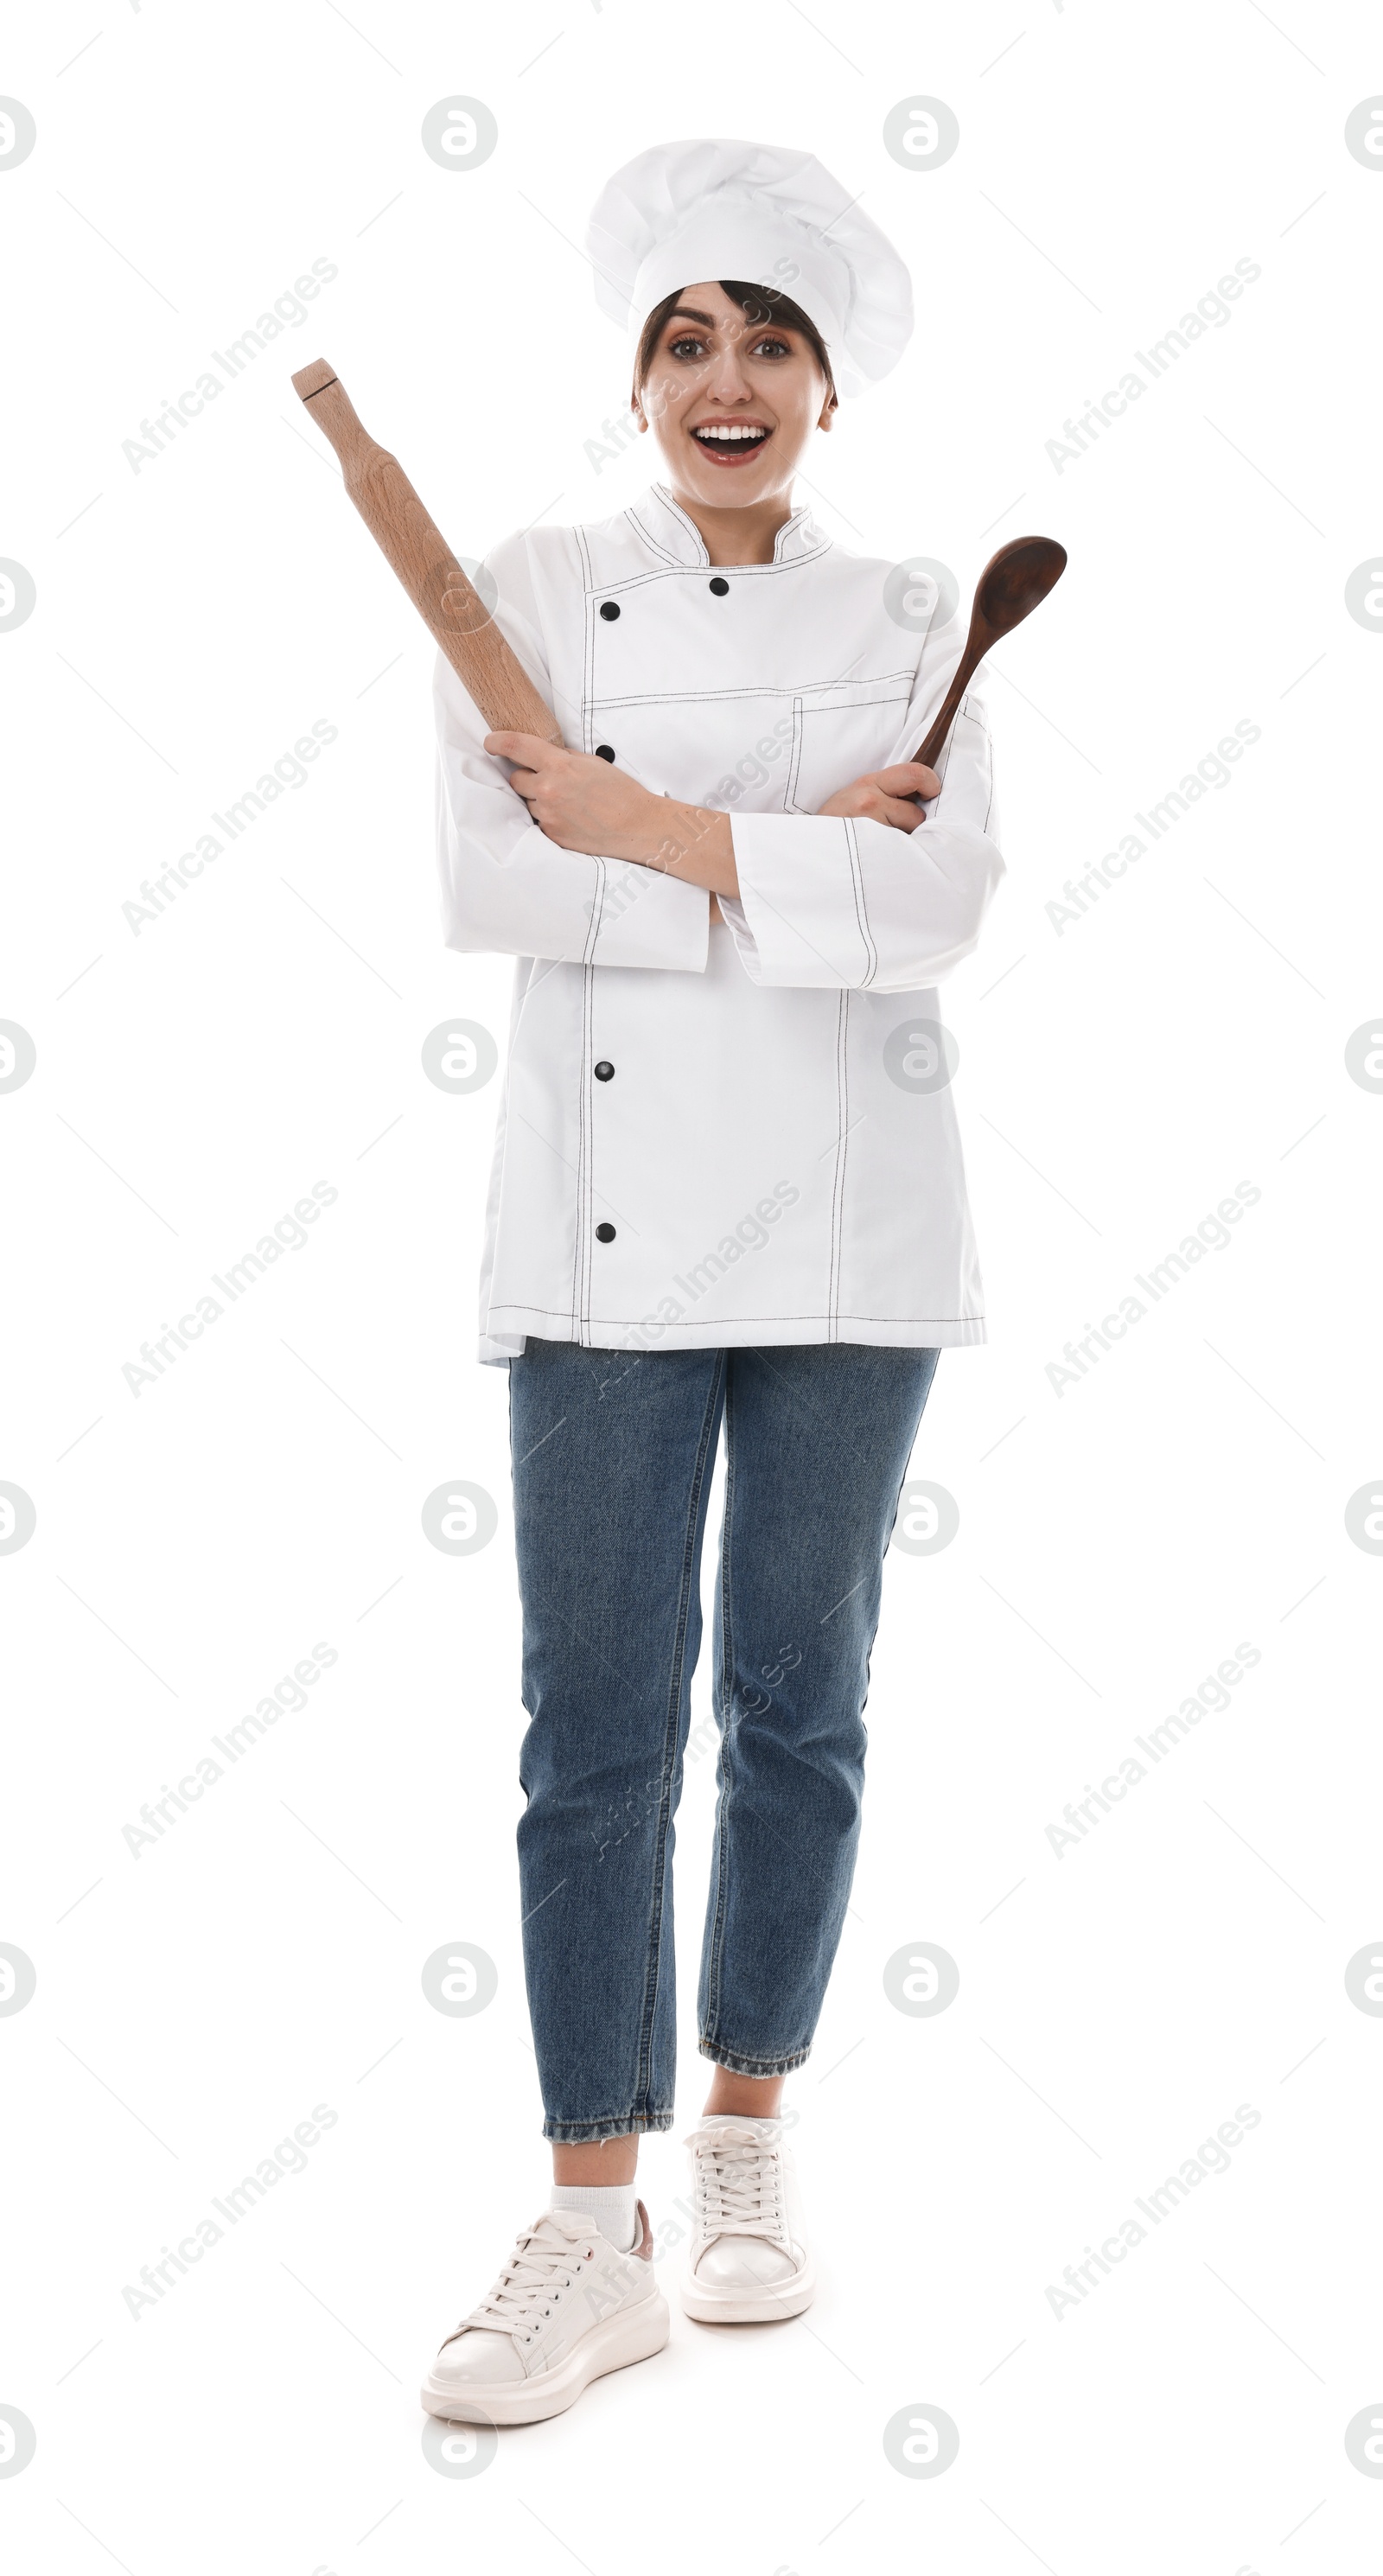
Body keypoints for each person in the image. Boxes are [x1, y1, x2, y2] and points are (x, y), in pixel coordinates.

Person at [420, 137, 1005, 2429]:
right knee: (594, 1720)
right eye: (691, 342)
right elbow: (491, 877)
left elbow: (940, 910)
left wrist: (645, 826)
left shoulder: (918, 611)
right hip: (598, 1225)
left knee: (802, 1691)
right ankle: (594, 2216)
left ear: (830, 395)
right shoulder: (534, 583)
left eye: (774, 345)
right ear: (639, 377)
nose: (730, 379)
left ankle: (748, 2135)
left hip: (862, 1227)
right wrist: (792, 862)